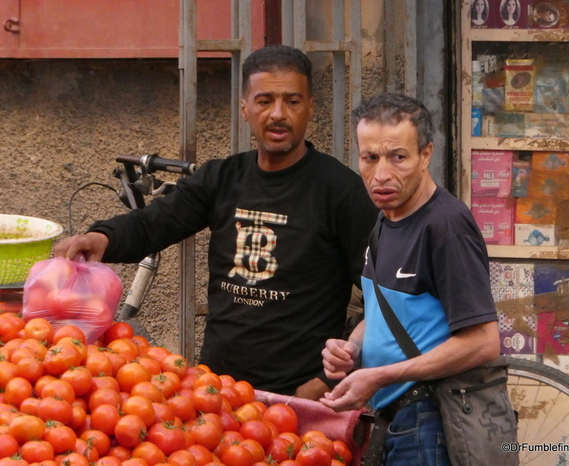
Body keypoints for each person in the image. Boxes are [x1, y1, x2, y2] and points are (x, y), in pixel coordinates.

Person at [54, 45, 379, 400]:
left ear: (311, 108)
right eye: (264, 100)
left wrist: (327, 380)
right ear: (244, 109)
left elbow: (383, 299)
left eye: (293, 101)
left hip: (299, 395)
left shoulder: (342, 192)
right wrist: (102, 238)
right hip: (217, 391)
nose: (278, 114)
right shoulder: (222, 178)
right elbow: (153, 223)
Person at [320, 93, 501, 465]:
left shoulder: (446, 226)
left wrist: (381, 375)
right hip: (395, 418)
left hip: (431, 417)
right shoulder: (386, 219)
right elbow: (390, 312)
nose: (381, 174)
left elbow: (482, 342)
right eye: (370, 158)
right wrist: (351, 349)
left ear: (426, 155)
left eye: (398, 157)